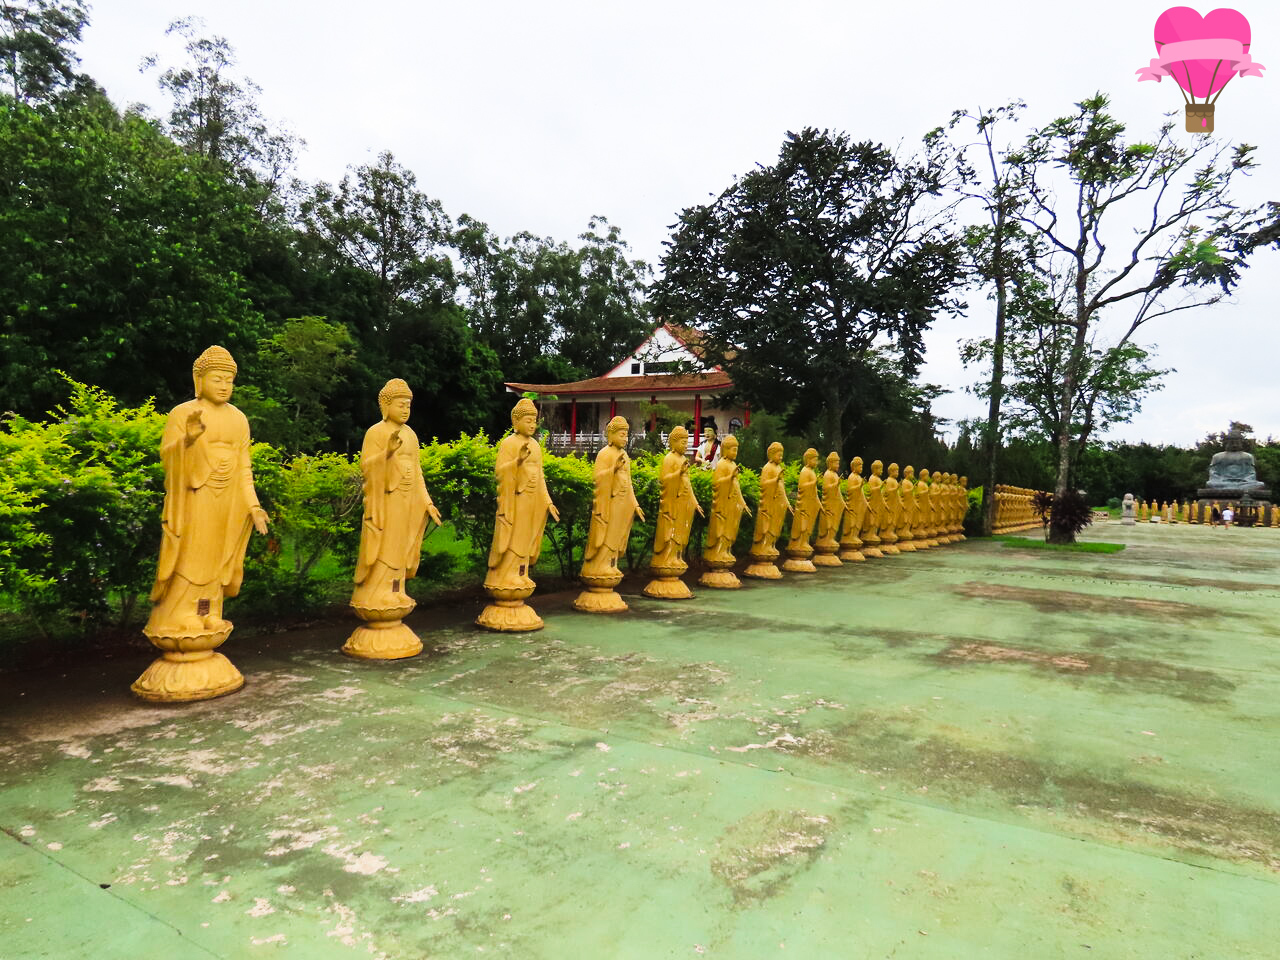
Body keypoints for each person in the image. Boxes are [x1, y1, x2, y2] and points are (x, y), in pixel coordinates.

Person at [146, 345, 269, 638]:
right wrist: (187, 440)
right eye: (217, 379)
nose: (225, 386)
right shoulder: (183, 413)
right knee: (192, 552)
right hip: (195, 494)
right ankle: (179, 615)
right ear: (199, 380)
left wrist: (253, 505)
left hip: (229, 498)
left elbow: (243, 467)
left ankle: (211, 611)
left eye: (229, 380)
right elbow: (168, 457)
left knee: (219, 553)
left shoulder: (239, 419)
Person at [352, 379, 442, 609]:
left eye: (408, 405)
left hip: (408, 499)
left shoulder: (410, 434)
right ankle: (377, 591)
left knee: (402, 545)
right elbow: (366, 467)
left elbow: (417, 470)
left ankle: (397, 588)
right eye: (400, 404)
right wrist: (387, 453)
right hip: (387, 500)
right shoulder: (376, 432)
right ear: (386, 405)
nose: (405, 409)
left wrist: (427, 502)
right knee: (386, 544)